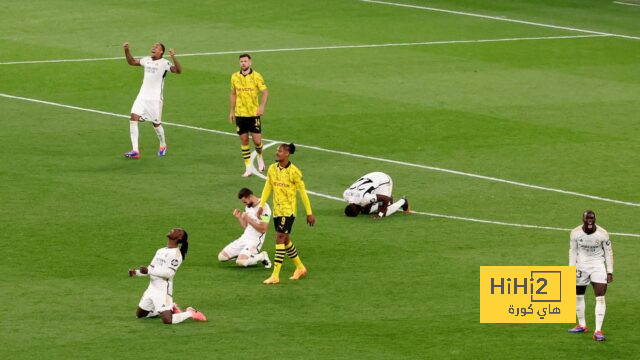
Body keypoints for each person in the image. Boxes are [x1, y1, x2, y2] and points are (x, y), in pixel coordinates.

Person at [257, 143, 315, 284]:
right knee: (286, 240)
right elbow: (267, 187)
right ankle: (300, 267)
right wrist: (261, 205)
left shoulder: (295, 172)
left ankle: (275, 275)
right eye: (277, 151)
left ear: (287, 153)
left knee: (279, 238)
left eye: (280, 151)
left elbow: (303, 193)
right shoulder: (272, 169)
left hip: (288, 211)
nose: (277, 153)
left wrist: (309, 213)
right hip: (277, 210)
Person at [128, 228, 207, 324]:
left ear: (179, 237)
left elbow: (169, 273)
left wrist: (149, 270)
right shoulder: (160, 250)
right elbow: (151, 268)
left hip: (163, 290)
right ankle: (168, 307)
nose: (173, 229)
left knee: (168, 320)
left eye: (177, 231)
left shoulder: (177, 255)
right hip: (151, 288)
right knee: (139, 316)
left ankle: (190, 313)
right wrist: (136, 273)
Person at [123, 42, 182, 159]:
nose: (153, 48)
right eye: (153, 46)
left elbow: (178, 70)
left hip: (155, 100)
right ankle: (135, 150)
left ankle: (163, 145)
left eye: (156, 47)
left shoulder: (165, 63)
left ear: (161, 51)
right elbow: (131, 62)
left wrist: (173, 57)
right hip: (142, 97)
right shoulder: (146, 60)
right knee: (133, 118)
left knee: (156, 124)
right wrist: (127, 50)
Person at [567, 210, 613, 341]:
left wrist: (609, 271)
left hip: (598, 266)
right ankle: (582, 325)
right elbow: (572, 251)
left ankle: (598, 331)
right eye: (587, 218)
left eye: (592, 218)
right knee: (578, 295)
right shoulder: (575, 233)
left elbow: (608, 253)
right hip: (581, 266)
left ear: (595, 219)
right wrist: (571, 269)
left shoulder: (603, 234)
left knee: (600, 296)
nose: (590, 221)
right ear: (583, 219)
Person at [229, 53, 269, 177]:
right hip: (240, 114)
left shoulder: (257, 76)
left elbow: (265, 92)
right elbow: (233, 94)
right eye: (241, 61)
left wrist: (262, 106)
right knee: (244, 140)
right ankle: (248, 168)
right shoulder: (234, 77)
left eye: (245, 61)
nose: (243, 63)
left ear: (250, 62)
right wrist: (231, 111)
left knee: (257, 141)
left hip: (253, 114)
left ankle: (260, 157)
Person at [218, 188, 272, 268]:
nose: (245, 204)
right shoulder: (248, 207)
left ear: (250, 196)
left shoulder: (264, 207)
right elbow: (246, 227)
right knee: (222, 257)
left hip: (255, 241)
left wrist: (248, 219)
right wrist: (239, 217)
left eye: (245, 202)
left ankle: (261, 256)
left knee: (241, 262)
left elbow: (263, 229)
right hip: (244, 238)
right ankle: (243, 254)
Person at [342, 172, 409, 218]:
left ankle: (403, 201)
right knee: (366, 211)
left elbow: (385, 198)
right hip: (372, 177)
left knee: (385, 212)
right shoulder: (346, 194)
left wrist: (380, 214)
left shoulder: (365, 199)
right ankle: (389, 199)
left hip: (383, 181)